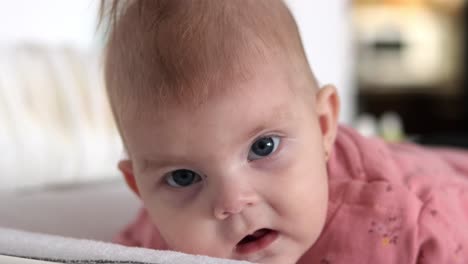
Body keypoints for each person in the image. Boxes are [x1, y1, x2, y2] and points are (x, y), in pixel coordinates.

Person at [99, 1, 468, 263]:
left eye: (263, 146)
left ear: (323, 126)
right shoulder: (155, 241)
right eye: (184, 176)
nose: (232, 201)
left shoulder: (412, 224)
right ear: (141, 190)